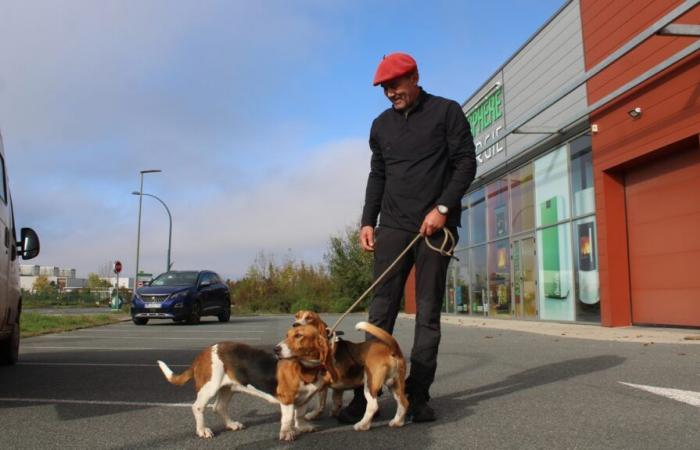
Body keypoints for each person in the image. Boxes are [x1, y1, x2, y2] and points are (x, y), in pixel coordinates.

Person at [338, 52, 476, 423]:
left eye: (395, 84)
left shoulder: (447, 112)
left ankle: (416, 396)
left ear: (415, 77)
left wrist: (443, 208)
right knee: (379, 313)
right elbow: (377, 175)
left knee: (427, 314)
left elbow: (466, 162)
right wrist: (368, 221)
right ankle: (364, 397)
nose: (390, 93)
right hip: (393, 228)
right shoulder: (380, 125)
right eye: (384, 87)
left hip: (436, 228)